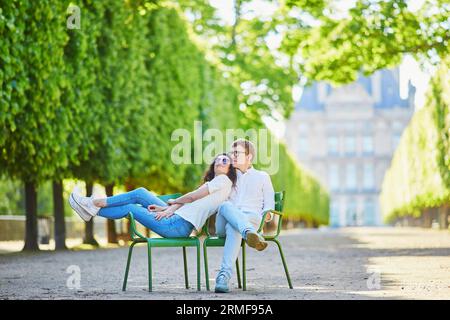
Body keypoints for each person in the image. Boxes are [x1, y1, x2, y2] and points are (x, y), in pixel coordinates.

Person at [68, 154, 236, 238]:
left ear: (229, 169)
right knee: (140, 193)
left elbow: (191, 197)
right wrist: (168, 208)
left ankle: (94, 205)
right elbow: (190, 201)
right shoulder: (217, 182)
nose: (219, 162)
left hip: (176, 225)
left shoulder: (223, 180)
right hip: (176, 218)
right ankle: (92, 206)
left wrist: (172, 204)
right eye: (217, 160)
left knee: (130, 208)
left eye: (224, 161)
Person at [214, 139, 275, 293]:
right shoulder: (227, 176)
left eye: (237, 153)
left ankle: (223, 277)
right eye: (231, 153)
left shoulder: (262, 176)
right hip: (226, 219)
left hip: (251, 218)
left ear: (249, 157)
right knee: (225, 205)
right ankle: (248, 232)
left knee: (234, 227)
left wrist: (267, 216)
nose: (232, 156)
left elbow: (269, 206)